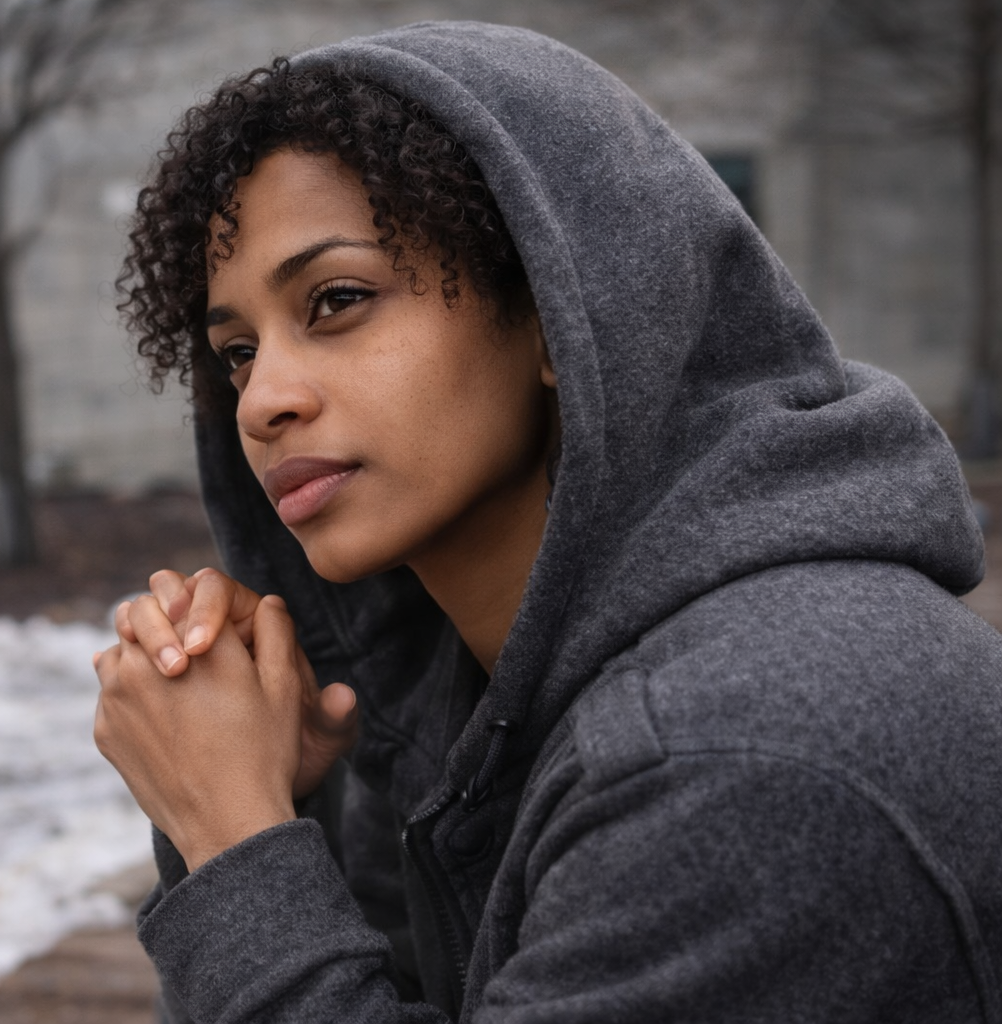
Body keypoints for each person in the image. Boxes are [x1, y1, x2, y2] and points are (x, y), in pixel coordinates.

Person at [94, 21, 1002, 1023]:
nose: (262, 399)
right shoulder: (493, 695)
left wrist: (235, 842)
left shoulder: (734, 749)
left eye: (337, 299)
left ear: (564, 313)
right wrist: (266, 798)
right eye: (234, 352)